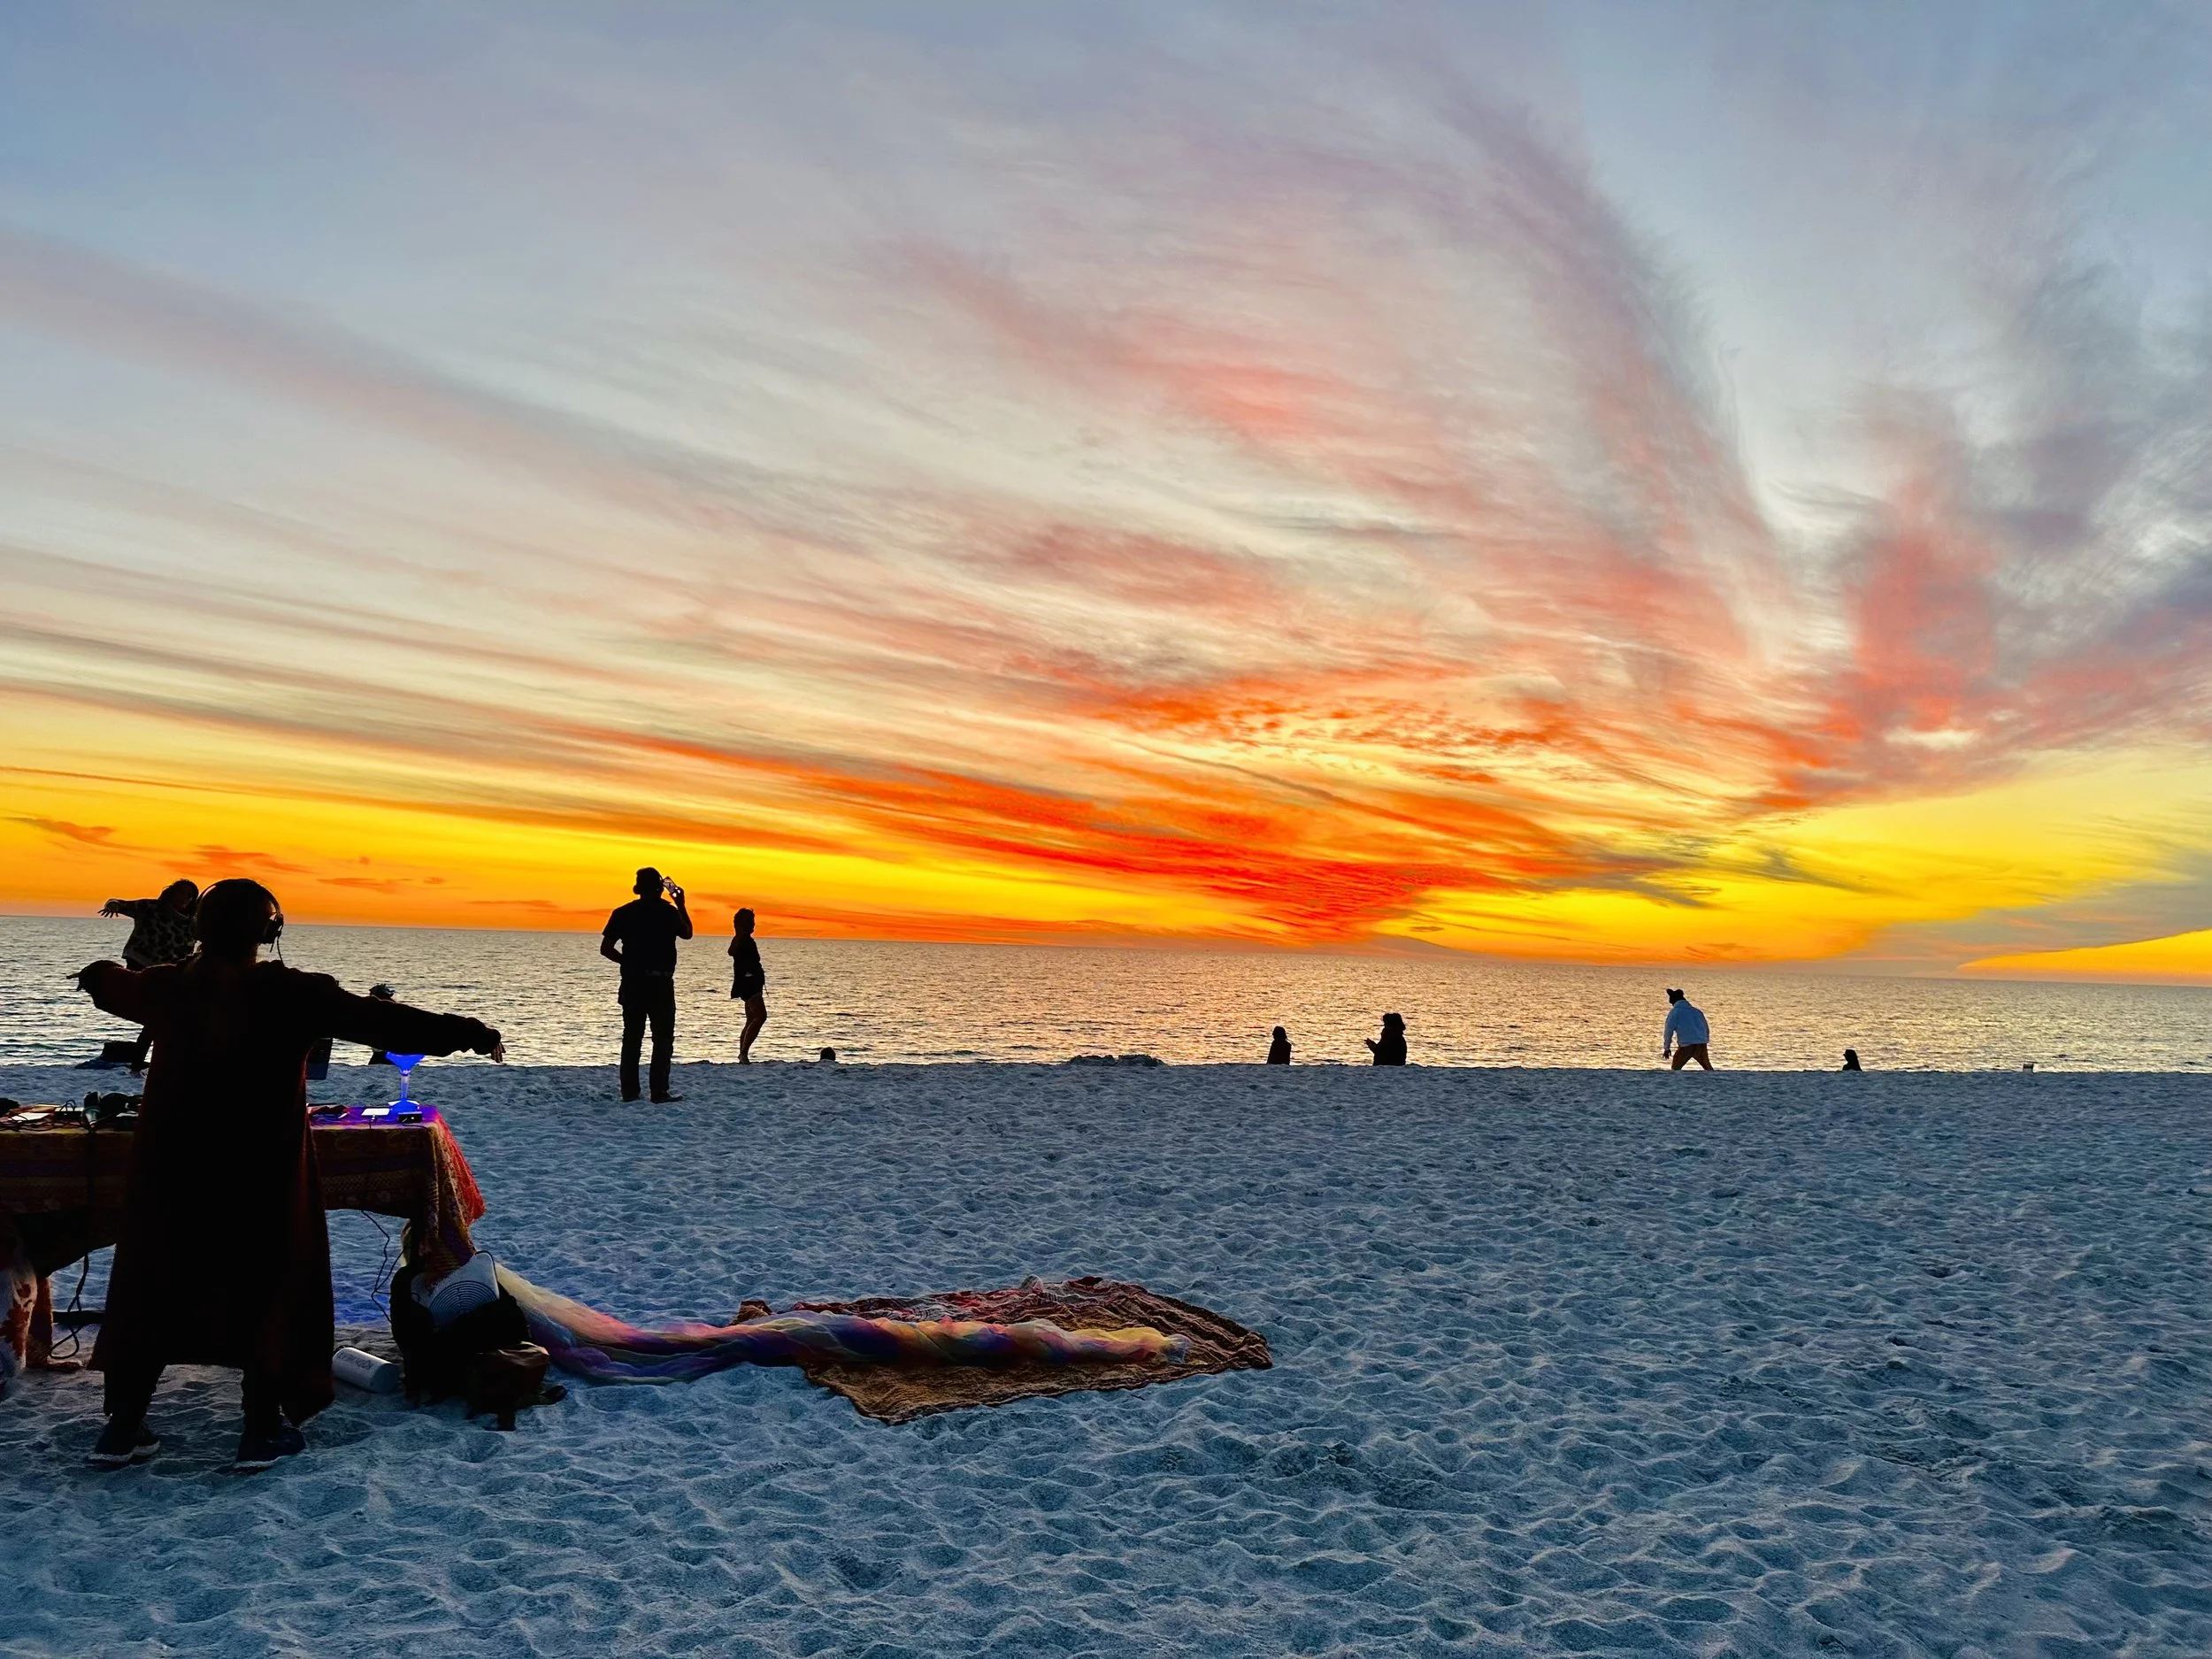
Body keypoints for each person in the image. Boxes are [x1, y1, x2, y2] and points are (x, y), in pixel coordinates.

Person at [73, 878, 503, 1471]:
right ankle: (260, 1430)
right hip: (261, 1171)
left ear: (199, 927)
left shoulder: (166, 987)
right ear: (270, 930)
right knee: (268, 1284)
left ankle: (123, 1428)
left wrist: (94, 972)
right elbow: (385, 1022)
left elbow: (109, 984)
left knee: (155, 1283)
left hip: (172, 1173)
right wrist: (470, 1032)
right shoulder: (294, 992)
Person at [601, 867, 692, 1102]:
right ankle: (658, 1091)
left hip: (633, 982)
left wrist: (628, 962)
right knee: (662, 1039)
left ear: (638, 888)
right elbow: (687, 933)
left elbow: (606, 949)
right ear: (660, 888)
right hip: (660, 983)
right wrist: (681, 904)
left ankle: (630, 1092)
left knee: (632, 1038)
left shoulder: (623, 913)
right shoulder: (669, 912)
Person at [99, 879, 200, 1072]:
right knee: (157, 1015)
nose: (186, 898)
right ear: (171, 893)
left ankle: (143, 1060)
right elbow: (119, 903)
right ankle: (141, 1060)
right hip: (141, 963)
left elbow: (212, 936)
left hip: (170, 971)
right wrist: (112, 905)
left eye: (190, 896)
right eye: (182, 893)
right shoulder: (150, 907)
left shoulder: (191, 922)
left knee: (161, 1017)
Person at [728, 909, 767, 1064]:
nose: (753, 925)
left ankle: (743, 1054)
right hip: (748, 985)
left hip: (751, 984)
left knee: (751, 1018)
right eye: (751, 922)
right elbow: (734, 954)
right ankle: (743, 1053)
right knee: (760, 1016)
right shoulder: (742, 940)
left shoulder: (744, 940)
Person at [1663, 988, 1712, 1070]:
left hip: (1686, 1046)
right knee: (1708, 1069)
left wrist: (1667, 1048)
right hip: (1701, 1044)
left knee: (1675, 1069)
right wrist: (1705, 1040)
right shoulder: (1697, 1011)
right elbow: (1706, 1028)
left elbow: (1668, 1031)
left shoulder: (1675, 1012)